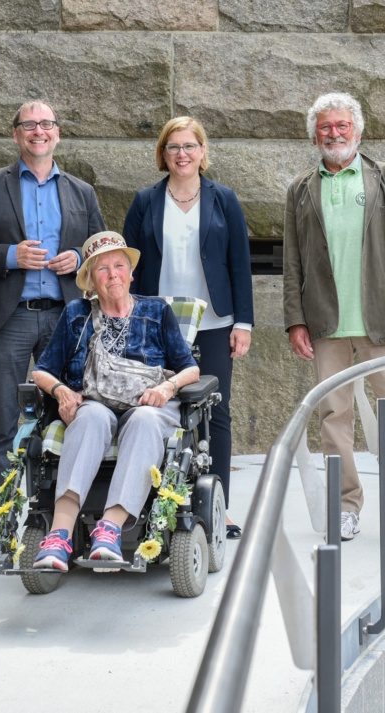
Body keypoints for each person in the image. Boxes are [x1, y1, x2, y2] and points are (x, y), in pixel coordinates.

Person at [282, 92, 385, 547]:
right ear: (314, 134)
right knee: (335, 417)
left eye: (341, 126)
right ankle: (346, 508)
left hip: (382, 323)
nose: (333, 134)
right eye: (325, 127)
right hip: (325, 324)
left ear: (357, 130)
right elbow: (292, 263)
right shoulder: (300, 190)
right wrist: (295, 319)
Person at [0, 100, 105, 513]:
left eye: (47, 123)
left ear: (58, 132)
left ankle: (62, 515)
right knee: (3, 421)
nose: (39, 130)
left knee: (73, 414)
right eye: (30, 124)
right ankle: (4, 520)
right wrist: (9, 256)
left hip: (66, 319)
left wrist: (78, 258)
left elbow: (101, 253)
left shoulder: (82, 192)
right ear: (16, 134)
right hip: (10, 318)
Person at [29, 231, 200, 570]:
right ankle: (59, 536)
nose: (113, 275)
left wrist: (166, 390)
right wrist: (62, 391)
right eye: (102, 269)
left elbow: (190, 370)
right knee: (89, 417)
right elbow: (42, 371)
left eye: (119, 266)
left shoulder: (156, 311)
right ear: (90, 280)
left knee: (144, 419)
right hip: (94, 403)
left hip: (150, 405)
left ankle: (109, 529)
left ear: (131, 272)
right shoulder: (76, 314)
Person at [123, 116, 254, 539]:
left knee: (216, 412)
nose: (182, 154)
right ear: (163, 154)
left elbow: (239, 265)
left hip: (215, 322)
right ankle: (153, 504)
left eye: (189, 146)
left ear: (202, 151)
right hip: (157, 322)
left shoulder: (224, 199)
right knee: (154, 409)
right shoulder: (145, 201)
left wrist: (244, 323)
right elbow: (129, 266)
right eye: (173, 147)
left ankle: (219, 507)